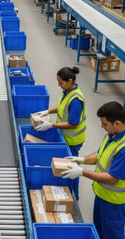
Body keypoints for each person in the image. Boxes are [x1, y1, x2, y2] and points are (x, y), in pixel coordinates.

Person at [61, 101, 125, 239]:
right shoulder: (113, 135)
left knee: (111, 235)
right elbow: (100, 155)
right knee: (99, 232)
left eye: (104, 124)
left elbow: (112, 178)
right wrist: (82, 160)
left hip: (115, 203)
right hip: (102, 195)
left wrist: (82, 172)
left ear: (116, 123)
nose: (102, 126)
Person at [34, 66, 86, 199]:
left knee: (72, 169)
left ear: (70, 81)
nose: (58, 85)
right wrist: (47, 111)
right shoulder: (68, 91)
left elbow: (73, 124)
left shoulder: (76, 100)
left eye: (60, 82)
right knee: (67, 166)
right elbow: (62, 107)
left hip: (73, 140)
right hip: (65, 137)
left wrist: (51, 125)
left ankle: (74, 194)